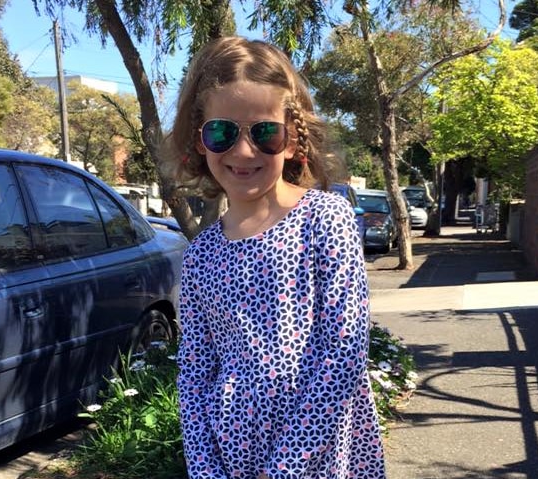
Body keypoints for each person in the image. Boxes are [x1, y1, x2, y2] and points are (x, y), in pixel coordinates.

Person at [161, 36, 386, 479]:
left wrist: (285, 468)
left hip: (315, 456)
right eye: (222, 132)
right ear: (199, 141)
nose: (243, 152)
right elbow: (194, 375)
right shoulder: (202, 255)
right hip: (231, 458)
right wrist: (207, 471)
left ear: (291, 138)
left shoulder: (325, 220)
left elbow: (342, 352)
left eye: (265, 133)